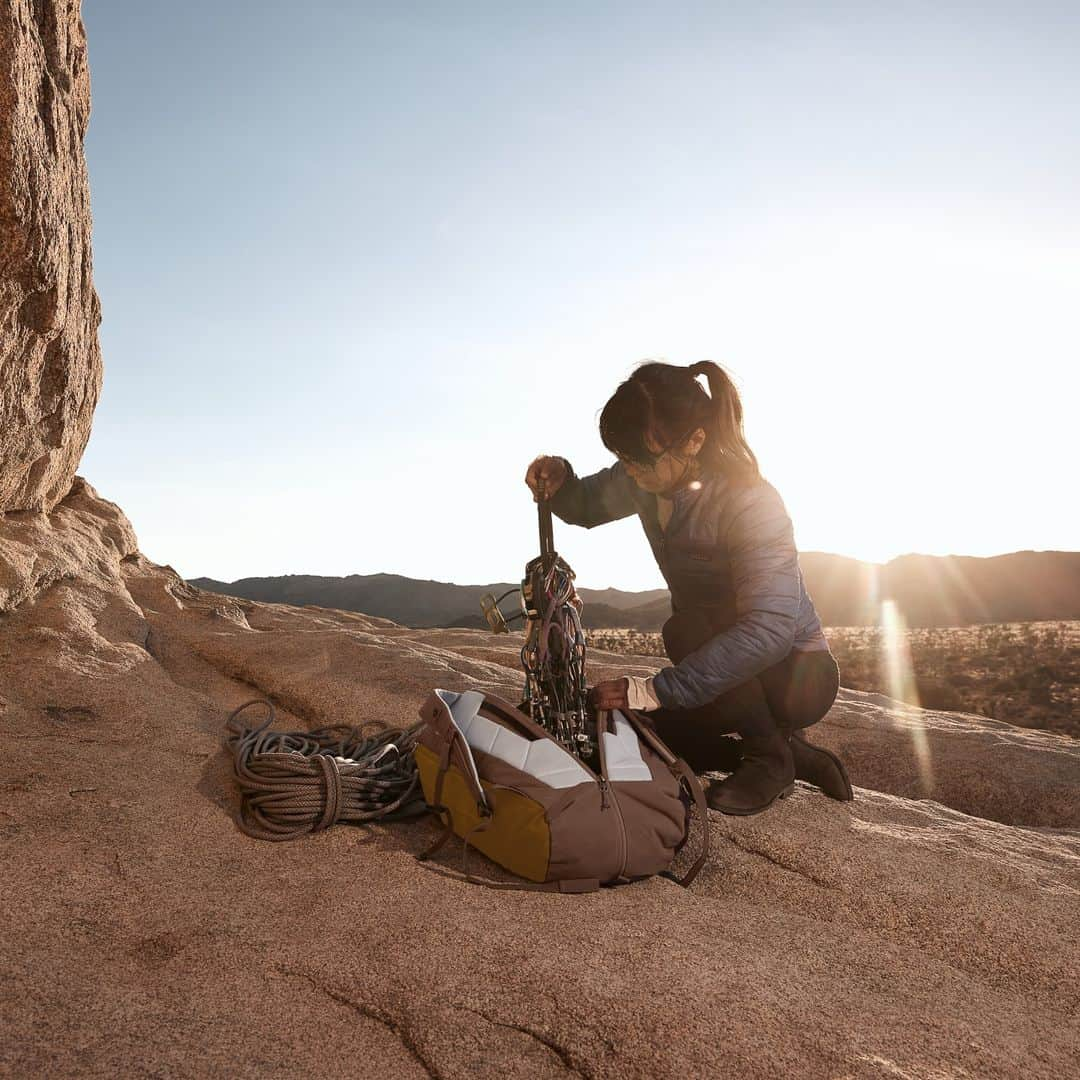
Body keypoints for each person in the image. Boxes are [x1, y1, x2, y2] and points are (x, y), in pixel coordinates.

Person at [524, 360, 852, 816]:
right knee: (641, 734)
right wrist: (560, 480)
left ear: (694, 440)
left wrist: (656, 689)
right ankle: (789, 753)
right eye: (623, 457)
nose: (630, 471)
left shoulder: (752, 501)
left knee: (684, 632)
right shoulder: (644, 481)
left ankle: (770, 757)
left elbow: (771, 628)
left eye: (640, 459)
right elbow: (586, 503)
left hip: (797, 675)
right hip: (726, 671)